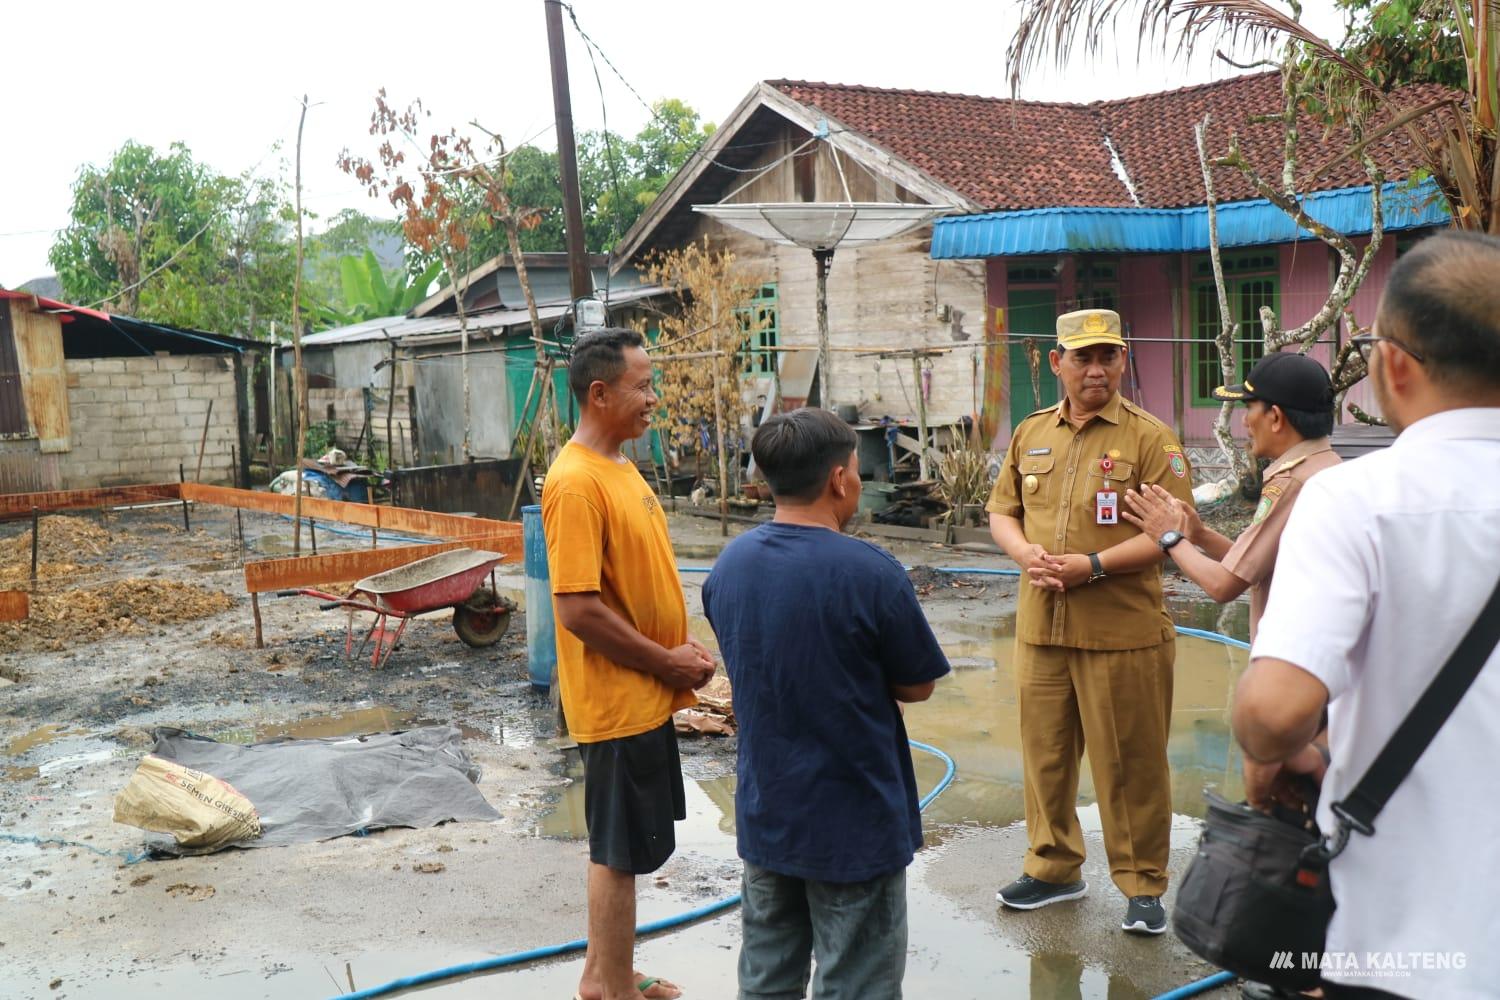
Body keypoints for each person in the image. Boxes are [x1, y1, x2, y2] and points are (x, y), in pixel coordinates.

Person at [1233, 231, 1500, 999]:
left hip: (1400, 951)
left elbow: (1275, 712)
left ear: (1393, 364)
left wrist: (1275, 748)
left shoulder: (1354, 500)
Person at [702, 407, 951, 1000]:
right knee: (857, 979)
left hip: (768, 812)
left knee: (767, 974)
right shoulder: (871, 573)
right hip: (853, 820)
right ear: (840, 480)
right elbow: (917, 685)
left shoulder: (729, 566)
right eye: (857, 472)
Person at [985, 308, 1196, 935]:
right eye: (1082, 356)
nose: (1095, 368)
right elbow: (1004, 512)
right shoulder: (1030, 434)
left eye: (1107, 355)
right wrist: (1025, 554)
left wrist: (1094, 565)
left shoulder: (1150, 439)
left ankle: (1143, 885)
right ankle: (1053, 868)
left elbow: (1174, 529)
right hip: (1043, 628)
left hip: (1121, 634)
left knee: (1130, 764)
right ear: (1058, 363)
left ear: (1124, 359)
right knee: (1045, 756)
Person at [542, 328, 716, 1000]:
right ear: (599, 392)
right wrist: (665, 663)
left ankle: (606, 971)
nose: (653, 397)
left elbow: (633, 585)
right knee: (616, 852)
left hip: (645, 689)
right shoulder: (577, 482)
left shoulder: (618, 466)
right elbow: (578, 609)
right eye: (643, 385)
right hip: (616, 701)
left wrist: (680, 650)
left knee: (633, 845)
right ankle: (609, 989)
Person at [1121, 351, 1341, 642]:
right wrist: (1199, 535)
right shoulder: (1327, 466)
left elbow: (1223, 585)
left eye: (1248, 410)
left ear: (1275, 417)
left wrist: (1169, 537)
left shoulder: (1292, 482)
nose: (1245, 424)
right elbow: (1251, 567)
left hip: (1291, 663)